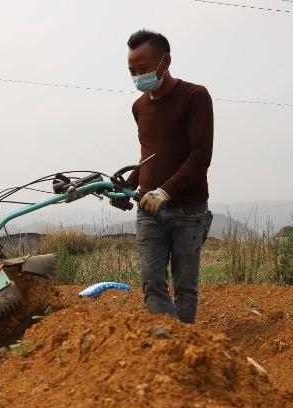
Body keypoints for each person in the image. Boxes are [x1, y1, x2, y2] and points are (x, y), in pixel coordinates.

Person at [123, 29, 214, 324]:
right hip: (149, 211)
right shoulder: (139, 107)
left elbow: (201, 155)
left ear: (165, 62)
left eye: (144, 68)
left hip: (188, 209)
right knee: (152, 284)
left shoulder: (194, 96)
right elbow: (150, 153)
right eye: (132, 71)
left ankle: (183, 348)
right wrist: (131, 182)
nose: (138, 76)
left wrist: (165, 191)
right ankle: (171, 346)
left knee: (185, 288)